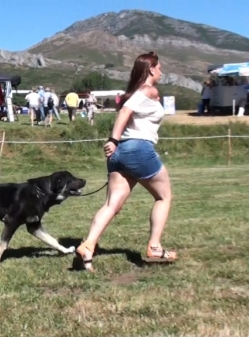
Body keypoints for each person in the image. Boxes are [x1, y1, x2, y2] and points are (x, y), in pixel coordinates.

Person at [74, 51, 177, 272]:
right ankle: (155, 247)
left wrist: (115, 143)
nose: (161, 71)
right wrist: (113, 138)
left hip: (120, 153)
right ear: (151, 69)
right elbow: (125, 111)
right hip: (138, 148)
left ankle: (88, 245)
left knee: (112, 205)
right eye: (159, 68)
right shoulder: (148, 90)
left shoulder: (137, 92)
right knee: (164, 196)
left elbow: (127, 111)